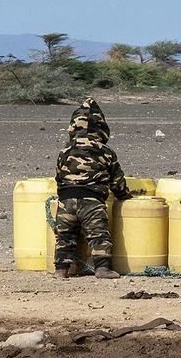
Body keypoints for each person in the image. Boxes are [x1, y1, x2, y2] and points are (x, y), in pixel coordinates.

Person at [53, 98, 132, 279]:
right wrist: (124, 196)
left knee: (64, 237)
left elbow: (58, 176)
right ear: (101, 128)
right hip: (91, 202)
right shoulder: (105, 151)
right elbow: (117, 180)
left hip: (66, 201)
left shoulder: (64, 151)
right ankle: (102, 268)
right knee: (99, 235)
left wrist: (64, 194)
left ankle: (61, 270)